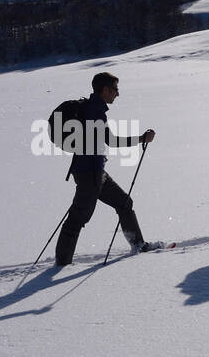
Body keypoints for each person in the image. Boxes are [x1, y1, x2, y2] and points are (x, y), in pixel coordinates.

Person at [54, 72, 158, 266]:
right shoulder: (94, 111)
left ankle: (138, 245)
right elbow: (111, 140)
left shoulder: (91, 108)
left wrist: (98, 154)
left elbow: (94, 140)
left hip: (94, 172)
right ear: (105, 90)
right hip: (89, 175)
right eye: (115, 89)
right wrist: (141, 139)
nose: (117, 94)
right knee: (77, 219)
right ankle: (61, 264)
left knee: (124, 203)